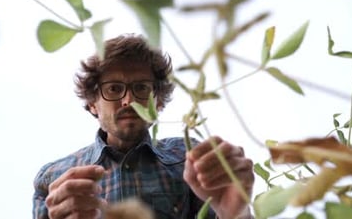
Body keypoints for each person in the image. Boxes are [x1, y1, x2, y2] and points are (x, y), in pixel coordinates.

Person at [32, 34, 255, 219]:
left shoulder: (190, 159)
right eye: (113, 89)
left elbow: (230, 209)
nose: (128, 100)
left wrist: (236, 212)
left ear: (157, 102)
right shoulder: (53, 178)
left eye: (141, 88)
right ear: (92, 104)